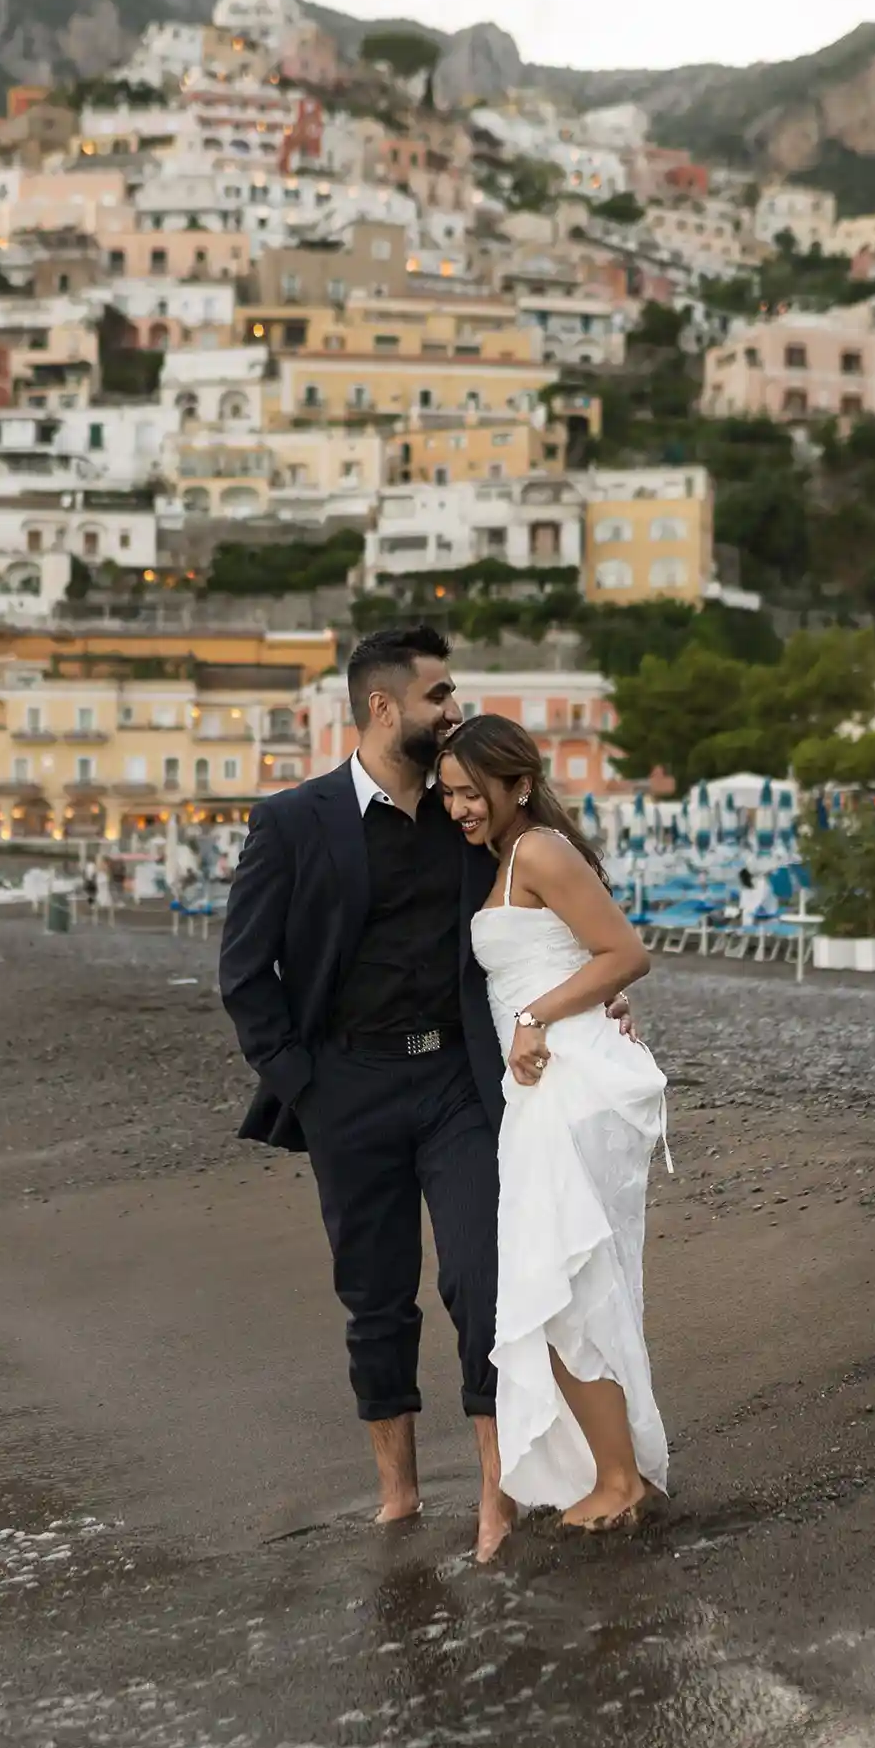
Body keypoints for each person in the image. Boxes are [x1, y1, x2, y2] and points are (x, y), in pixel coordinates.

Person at [220, 625, 634, 1561]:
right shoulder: (292, 822)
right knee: (375, 1296)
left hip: (459, 1081)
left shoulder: (465, 815)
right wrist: (305, 1085)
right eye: (439, 694)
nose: (455, 708)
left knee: (483, 1280)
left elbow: (553, 914)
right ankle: (398, 1494)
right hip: (348, 1087)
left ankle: (496, 1493)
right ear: (383, 706)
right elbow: (245, 972)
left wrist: (597, 999)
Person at [438, 716, 668, 1533]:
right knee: (566, 1284)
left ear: (520, 785)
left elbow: (625, 953)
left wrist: (537, 1015)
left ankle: (618, 1480)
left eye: (471, 793)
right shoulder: (507, 857)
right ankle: (613, 1471)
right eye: (449, 795)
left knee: (566, 1285)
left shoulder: (537, 850)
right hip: (542, 1086)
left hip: (569, 1085)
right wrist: (572, 1001)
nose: (458, 809)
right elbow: (586, 961)